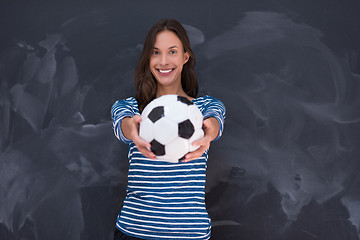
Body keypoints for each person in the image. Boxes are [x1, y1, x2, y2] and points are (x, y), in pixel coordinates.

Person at [111, 19, 226, 240]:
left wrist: (209, 133)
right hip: (135, 232)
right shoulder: (130, 108)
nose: (164, 61)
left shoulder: (204, 108)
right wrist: (133, 131)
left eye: (172, 52)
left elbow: (215, 122)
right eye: (156, 53)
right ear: (148, 59)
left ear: (185, 57)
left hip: (189, 234)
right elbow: (123, 124)